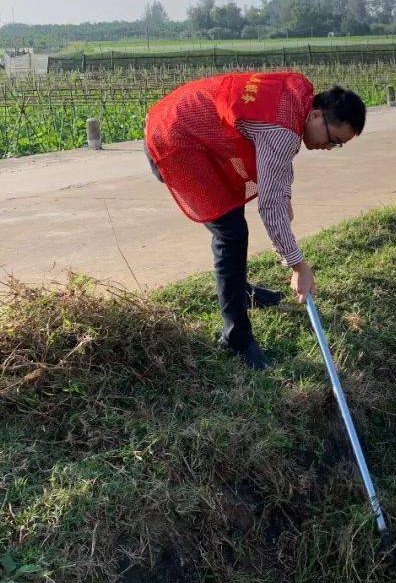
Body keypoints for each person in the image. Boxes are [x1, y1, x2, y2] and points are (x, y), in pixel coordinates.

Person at [144, 72, 366, 369]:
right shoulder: (283, 130)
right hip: (175, 140)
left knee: (234, 218)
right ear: (316, 115)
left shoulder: (297, 94)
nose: (329, 148)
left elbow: (278, 169)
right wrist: (298, 266)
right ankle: (235, 337)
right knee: (230, 232)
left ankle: (241, 290)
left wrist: (284, 196)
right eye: (333, 140)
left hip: (184, 122)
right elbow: (270, 205)